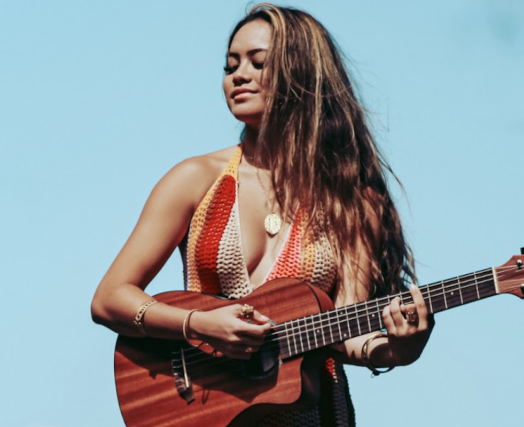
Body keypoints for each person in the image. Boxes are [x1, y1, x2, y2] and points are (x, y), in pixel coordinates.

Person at [91, 3, 434, 426]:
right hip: (208, 413)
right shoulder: (195, 179)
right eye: (230, 65)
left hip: (313, 415)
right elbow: (109, 298)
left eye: (258, 62)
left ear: (302, 74)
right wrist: (198, 324)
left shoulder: (351, 202)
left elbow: (349, 331)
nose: (238, 75)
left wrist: (399, 350)